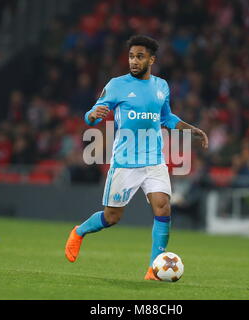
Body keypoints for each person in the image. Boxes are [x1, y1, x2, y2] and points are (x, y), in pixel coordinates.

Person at [64, 35, 208, 280]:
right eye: (131, 56)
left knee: (163, 208)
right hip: (125, 163)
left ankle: (154, 268)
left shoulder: (161, 86)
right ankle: (79, 232)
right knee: (111, 217)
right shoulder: (117, 85)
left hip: (154, 160)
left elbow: (167, 118)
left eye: (140, 56)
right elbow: (93, 116)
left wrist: (190, 129)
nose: (134, 61)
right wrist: (92, 114)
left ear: (151, 59)